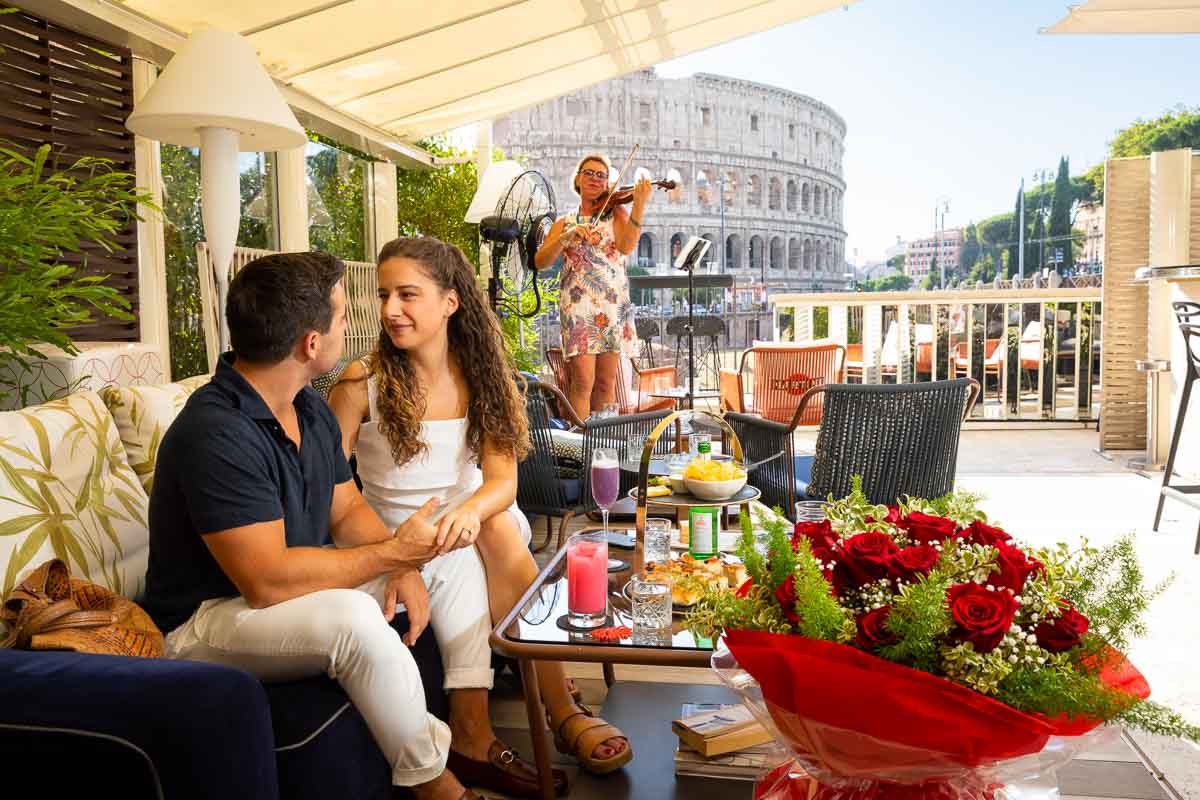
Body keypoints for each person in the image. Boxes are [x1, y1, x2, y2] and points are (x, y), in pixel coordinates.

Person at [142, 251, 538, 800]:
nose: (355, 323)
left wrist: (403, 557)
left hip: (277, 592)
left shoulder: (303, 407)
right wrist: (391, 558)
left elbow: (347, 511)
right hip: (207, 618)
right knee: (353, 617)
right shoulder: (217, 432)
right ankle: (439, 786)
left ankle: (471, 732)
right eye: (342, 314)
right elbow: (268, 581)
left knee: (449, 564)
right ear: (310, 343)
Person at [329, 236, 633, 777]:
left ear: (450, 302)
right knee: (474, 545)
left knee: (490, 525)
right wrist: (394, 551)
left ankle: (526, 717)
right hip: (389, 533)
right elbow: (330, 487)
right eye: (383, 296)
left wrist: (468, 511)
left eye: (407, 294)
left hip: (475, 517)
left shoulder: (480, 378)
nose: (389, 310)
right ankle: (553, 707)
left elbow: (501, 482)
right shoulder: (360, 383)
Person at [534, 153, 652, 420]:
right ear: (577, 179)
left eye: (601, 175)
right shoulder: (565, 222)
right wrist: (565, 238)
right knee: (582, 382)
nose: (595, 179)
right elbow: (540, 261)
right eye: (589, 173)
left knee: (605, 384)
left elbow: (626, 246)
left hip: (613, 305)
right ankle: (580, 447)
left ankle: (603, 446)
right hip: (579, 306)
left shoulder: (617, 212)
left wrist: (639, 206)